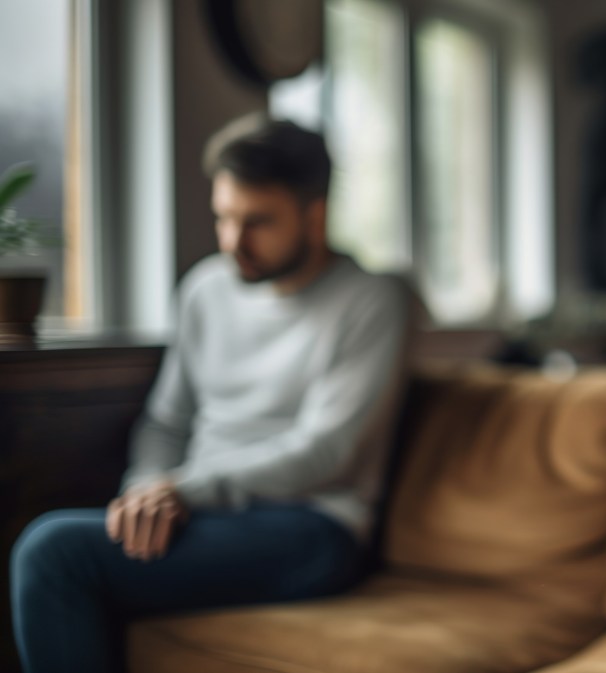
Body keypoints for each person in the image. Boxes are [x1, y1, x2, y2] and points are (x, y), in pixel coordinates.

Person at [10, 117, 410, 673]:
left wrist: (184, 491)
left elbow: (326, 452)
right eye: (223, 218)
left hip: (311, 525)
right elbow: (166, 423)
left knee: (53, 551)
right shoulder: (205, 288)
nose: (232, 243)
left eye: (257, 222)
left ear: (314, 215)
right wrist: (146, 493)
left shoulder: (371, 300)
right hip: (200, 511)